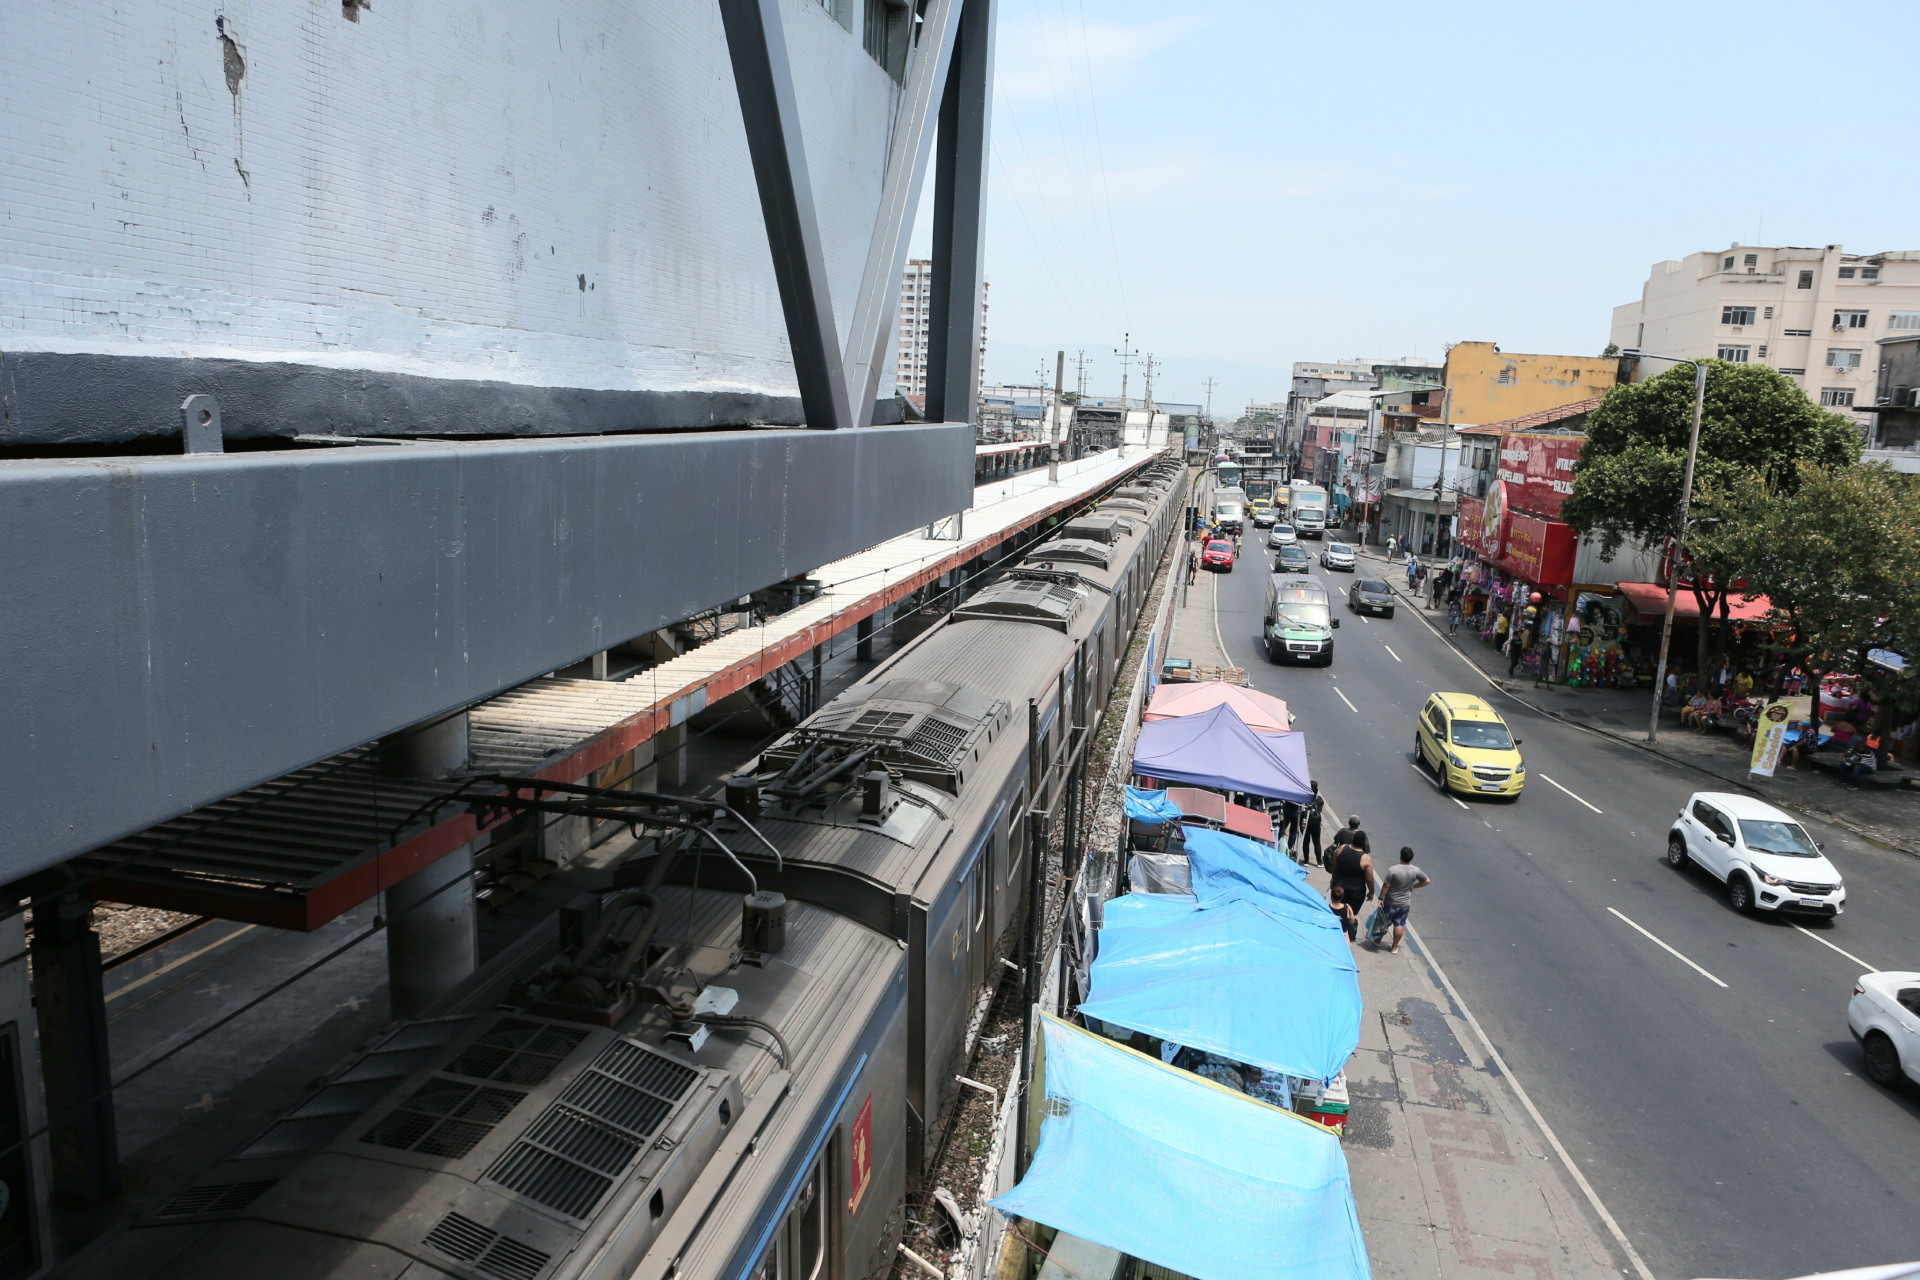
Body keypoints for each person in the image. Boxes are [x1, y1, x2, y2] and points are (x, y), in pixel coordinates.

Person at [1375, 846, 1432, 955]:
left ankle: (1377, 941)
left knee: (1385, 923)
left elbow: (1386, 886)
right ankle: (1394, 947)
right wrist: (1414, 886)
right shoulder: (1416, 870)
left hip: (1391, 902)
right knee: (1399, 924)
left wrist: (1381, 898)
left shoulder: (1393, 870)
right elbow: (1427, 881)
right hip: (1405, 903)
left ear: (1400, 856)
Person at [1329, 837, 1374, 934]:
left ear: (1352, 840)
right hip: (1355, 892)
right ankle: (1348, 931)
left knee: (1336, 907)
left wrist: (1333, 876)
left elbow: (1334, 863)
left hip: (1338, 887)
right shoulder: (1365, 859)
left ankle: (1335, 927)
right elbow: (1369, 879)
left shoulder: (1342, 848)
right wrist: (1371, 892)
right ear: (1363, 844)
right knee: (1350, 912)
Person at [1299, 781, 1325, 866]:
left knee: (1306, 841)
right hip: (1316, 823)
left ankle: (1306, 861)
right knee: (1316, 842)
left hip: (1305, 822)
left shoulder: (1304, 798)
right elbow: (1320, 810)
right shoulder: (1319, 799)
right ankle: (1319, 862)